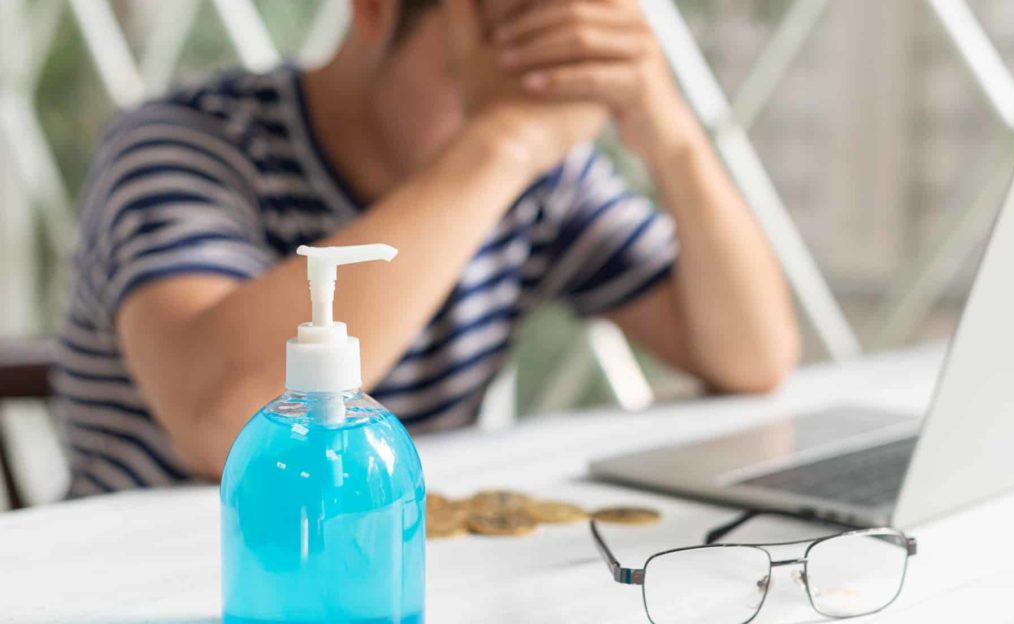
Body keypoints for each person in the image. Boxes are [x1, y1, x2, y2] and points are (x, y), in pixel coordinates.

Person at [55, 0, 800, 496]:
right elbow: (223, 423)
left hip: (368, 575)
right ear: (375, 10)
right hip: (147, 585)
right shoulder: (183, 144)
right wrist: (501, 144)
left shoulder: (536, 178)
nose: (534, 88)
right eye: (509, 37)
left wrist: (668, 134)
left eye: (569, 56)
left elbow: (753, 354)